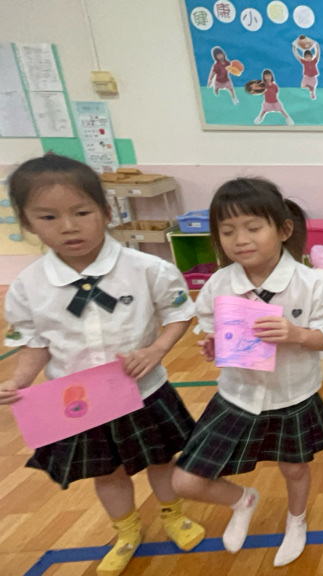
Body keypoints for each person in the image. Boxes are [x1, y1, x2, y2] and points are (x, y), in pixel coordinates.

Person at [1, 154, 205, 576]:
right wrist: (18, 380)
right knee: (107, 472)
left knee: (162, 460)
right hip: (78, 402)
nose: (68, 226)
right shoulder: (28, 286)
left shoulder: (147, 268)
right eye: (48, 216)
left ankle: (174, 515)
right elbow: (34, 342)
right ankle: (126, 531)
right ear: (27, 223)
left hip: (144, 390)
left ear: (107, 212)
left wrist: (156, 350)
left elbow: (179, 313)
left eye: (82, 212)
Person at [171, 178, 323, 567]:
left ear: (283, 230)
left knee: (295, 468)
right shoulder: (219, 284)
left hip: (292, 395)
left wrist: (298, 334)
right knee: (185, 480)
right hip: (237, 395)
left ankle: (296, 521)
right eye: (227, 231)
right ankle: (242, 500)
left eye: (253, 227)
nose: (240, 240)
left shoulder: (311, 284)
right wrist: (213, 345)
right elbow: (212, 330)